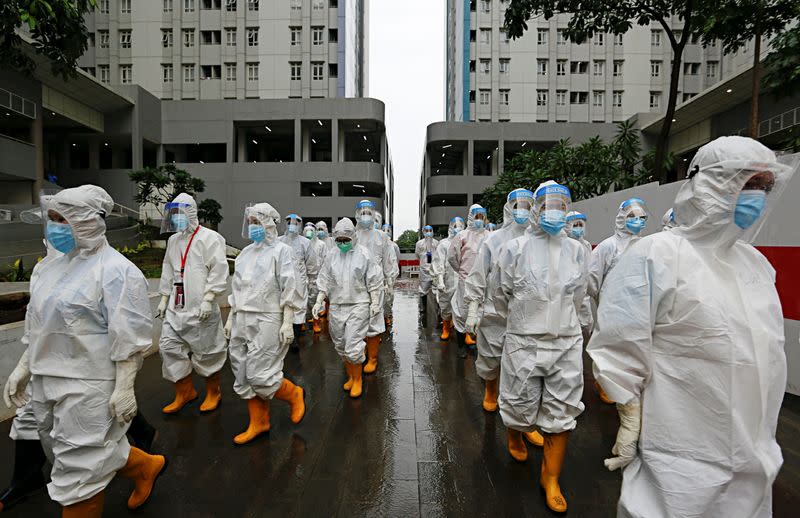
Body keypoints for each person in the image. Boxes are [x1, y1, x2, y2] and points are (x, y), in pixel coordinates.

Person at [587, 136, 796, 518]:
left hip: (756, 454)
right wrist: (629, 416)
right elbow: (619, 344)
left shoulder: (755, 265)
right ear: (708, 182)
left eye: (765, 187)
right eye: (748, 183)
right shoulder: (655, 254)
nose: (758, 197)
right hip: (680, 456)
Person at [3, 185, 167, 517]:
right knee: (69, 451)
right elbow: (39, 325)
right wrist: (24, 367)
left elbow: (130, 337)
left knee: (80, 472)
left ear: (89, 221)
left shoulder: (117, 271)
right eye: (51, 218)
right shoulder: (48, 268)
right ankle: (145, 466)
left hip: (90, 384)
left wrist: (124, 387)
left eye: (62, 219)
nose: (55, 227)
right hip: (47, 378)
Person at [496, 181, 588, 513]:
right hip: (525, 341)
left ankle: (550, 477)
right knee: (519, 405)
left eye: (561, 205)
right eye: (548, 204)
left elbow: (579, 295)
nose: (555, 211)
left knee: (562, 413)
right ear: (535, 209)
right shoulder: (515, 248)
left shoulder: (577, 250)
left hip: (566, 342)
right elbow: (503, 290)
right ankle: (515, 434)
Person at [225, 203, 306, 445]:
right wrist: (231, 317)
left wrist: (288, 321)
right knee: (241, 372)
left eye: (257, 222)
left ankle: (293, 393)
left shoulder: (281, 251)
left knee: (260, 374)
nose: (252, 227)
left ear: (269, 224)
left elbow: (290, 286)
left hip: (269, 317)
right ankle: (259, 422)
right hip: (242, 317)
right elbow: (237, 288)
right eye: (250, 222)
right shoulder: (245, 254)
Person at [465, 189, 537, 421]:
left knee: (526, 366)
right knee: (491, 357)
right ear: (509, 208)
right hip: (496, 313)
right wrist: (473, 311)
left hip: (529, 316)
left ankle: (523, 418)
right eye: (518, 205)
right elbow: (478, 275)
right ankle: (491, 390)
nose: (523, 211)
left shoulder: (540, 240)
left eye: (528, 205)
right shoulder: (493, 240)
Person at [156, 193, 228, 415]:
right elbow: (168, 269)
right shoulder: (173, 240)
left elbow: (218, 269)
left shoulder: (210, 238)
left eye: (180, 213)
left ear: (190, 213)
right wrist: (163, 298)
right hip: (175, 308)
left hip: (200, 307)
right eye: (174, 214)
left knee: (207, 351)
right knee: (168, 348)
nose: (176, 218)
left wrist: (209, 298)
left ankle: (213, 391)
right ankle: (185, 391)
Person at [586, 197, 648, 404]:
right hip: (611, 308)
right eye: (631, 216)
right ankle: (603, 383)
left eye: (641, 217)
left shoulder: (645, 246)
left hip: (636, 308)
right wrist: (602, 301)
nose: (637, 221)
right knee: (608, 348)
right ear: (621, 218)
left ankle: (622, 384)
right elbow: (592, 278)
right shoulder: (608, 246)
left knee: (628, 349)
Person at [313, 218, 383, 398]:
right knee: (341, 345)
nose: (343, 243)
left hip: (358, 305)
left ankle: (358, 380)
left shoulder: (364, 254)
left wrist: (375, 301)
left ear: (353, 236)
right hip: (336, 305)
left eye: (346, 239)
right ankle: (351, 376)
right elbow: (325, 278)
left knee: (353, 345)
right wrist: (319, 299)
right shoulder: (332, 255)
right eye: (339, 240)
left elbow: (374, 279)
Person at [354, 201, 399, 374]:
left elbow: (389, 260)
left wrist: (390, 282)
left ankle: (372, 358)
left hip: (376, 284)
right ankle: (361, 351)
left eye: (368, 212)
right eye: (362, 212)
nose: (365, 215)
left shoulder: (382, 236)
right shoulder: (353, 235)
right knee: (357, 320)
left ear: (374, 215)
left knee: (374, 318)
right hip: (356, 285)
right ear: (358, 214)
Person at [447, 204, 489, 357]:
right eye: (476, 217)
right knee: (461, 312)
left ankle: (476, 342)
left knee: (481, 312)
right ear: (471, 217)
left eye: (482, 217)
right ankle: (461, 345)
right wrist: (462, 271)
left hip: (485, 281)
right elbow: (452, 257)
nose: (479, 220)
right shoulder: (462, 236)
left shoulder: (489, 236)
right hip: (465, 280)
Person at [279, 213, 316, 352]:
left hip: (299, 282)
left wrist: (311, 281)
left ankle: (294, 337)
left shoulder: (305, 242)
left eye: (295, 223)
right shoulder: (279, 241)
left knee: (298, 308)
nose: (292, 226)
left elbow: (311, 263)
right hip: (281, 281)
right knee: (282, 307)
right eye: (289, 222)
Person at [432, 217, 464, 341]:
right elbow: (438, 262)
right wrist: (440, 280)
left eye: (461, 225)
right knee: (446, 304)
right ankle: (446, 327)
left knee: (462, 305)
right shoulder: (444, 244)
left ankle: (463, 332)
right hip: (448, 279)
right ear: (451, 227)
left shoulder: (465, 241)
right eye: (455, 225)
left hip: (462, 279)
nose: (458, 228)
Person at [565, 211, 594, 344]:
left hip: (584, 294)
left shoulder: (586, 245)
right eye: (575, 225)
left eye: (580, 225)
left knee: (586, 326)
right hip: (569, 294)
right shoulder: (564, 245)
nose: (578, 228)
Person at [304, 222, 327, 333]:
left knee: (315, 300)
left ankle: (316, 321)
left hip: (317, 276)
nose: (309, 233)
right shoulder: (302, 243)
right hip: (304, 276)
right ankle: (302, 321)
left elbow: (325, 260)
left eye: (311, 230)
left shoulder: (321, 244)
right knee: (303, 300)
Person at [415, 225, 439, 317]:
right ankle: (423, 308)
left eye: (430, 230)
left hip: (435, 269)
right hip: (424, 270)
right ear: (423, 232)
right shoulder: (419, 243)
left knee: (437, 289)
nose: (428, 232)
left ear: (433, 231)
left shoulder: (437, 243)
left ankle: (437, 309)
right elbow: (417, 255)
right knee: (423, 290)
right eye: (426, 230)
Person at [382, 222, 401, 326]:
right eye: (384, 230)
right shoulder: (378, 243)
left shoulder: (394, 245)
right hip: (378, 275)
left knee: (389, 296)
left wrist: (392, 274)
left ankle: (388, 315)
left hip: (389, 275)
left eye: (388, 230)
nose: (386, 232)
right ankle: (380, 318)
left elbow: (397, 259)